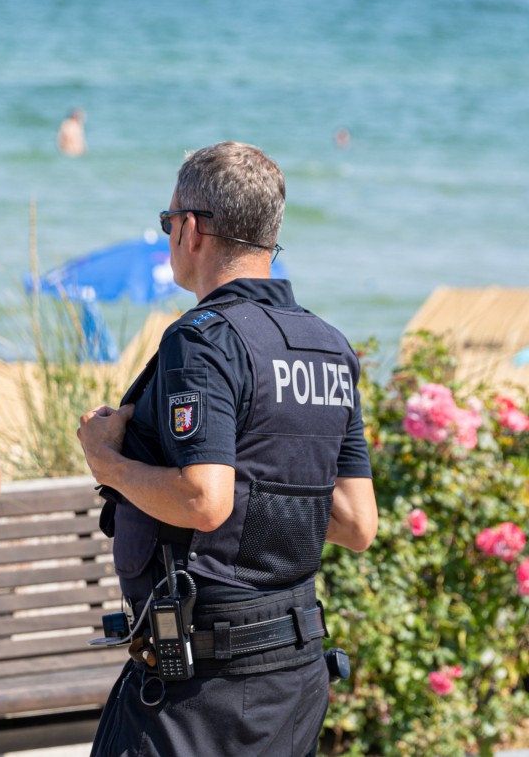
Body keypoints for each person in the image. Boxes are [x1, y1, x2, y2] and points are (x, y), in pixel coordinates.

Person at [76, 142, 378, 757]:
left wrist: (108, 461)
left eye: (168, 223)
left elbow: (204, 501)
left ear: (191, 229)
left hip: (206, 684)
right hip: (293, 672)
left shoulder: (203, 339)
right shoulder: (328, 346)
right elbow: (355, 522)